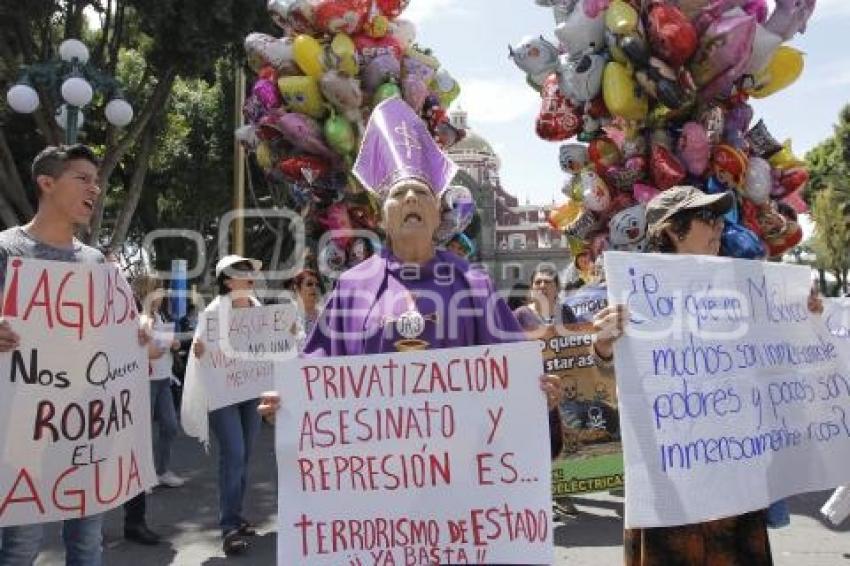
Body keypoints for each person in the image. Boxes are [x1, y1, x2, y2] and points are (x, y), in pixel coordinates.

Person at [258, 97, 563, 457]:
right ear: (383, 219)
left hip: (462, 470)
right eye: (399, 194)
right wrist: (287, 405)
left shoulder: (473, 284)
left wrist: (539, 395)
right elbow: (318, 370)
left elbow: (510, 369)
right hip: (376, 473)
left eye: (422, 193)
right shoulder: (353, 286)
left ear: (438, 216)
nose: (411, 200)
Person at [591, 185, 823, 566]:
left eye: (718, 216)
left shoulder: (742, 288)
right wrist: (601, 346)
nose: (718, 226)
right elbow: (607, 381)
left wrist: (807, 316)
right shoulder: (631, 293)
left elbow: (779, 360)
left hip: (733, 480)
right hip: (670, 486)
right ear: (670, 229)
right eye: (706, 218)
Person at [0, 144, 107, 564]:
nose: (94, 189)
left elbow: (109, 335)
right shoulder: (6, 252)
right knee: (21, 546)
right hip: (20, 428)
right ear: (47, 183)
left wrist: (136, 334)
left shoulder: (96, 262)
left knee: (87, 542)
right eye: (83, 178)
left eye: (97, 182)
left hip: (86, 426)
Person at [187, 255, 263, 556]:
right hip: (222, 396)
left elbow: (272, 345)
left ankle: (237, 514)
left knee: (244, 455)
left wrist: (290, 336)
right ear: (228, 281)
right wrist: (200, 348)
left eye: (250, 271)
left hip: (252, 391)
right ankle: (229, 525)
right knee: (233, 454)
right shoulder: (214, 312)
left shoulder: (258, 309)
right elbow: (201, 352)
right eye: (242, 272)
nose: (249, 276)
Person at [132, 275, 186, 488]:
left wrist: (170, 345)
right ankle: (140, 477)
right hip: (146, 380)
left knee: (170, 426)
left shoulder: (158, 315)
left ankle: (161, 470)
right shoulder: (138, 318)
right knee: (141, 432)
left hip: (163, 378)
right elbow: (148, 352)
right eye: (159, 289)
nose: (163, 294)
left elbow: (158, 348)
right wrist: (166, 345)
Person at [514, 265, 577, 336]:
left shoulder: (566, 312)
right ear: (531, 289)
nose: (542, 286)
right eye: (538, 282)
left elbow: (580, 340)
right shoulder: (520, 315)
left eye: (547, 282)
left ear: (557, 288)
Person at [289, 268, 324, 351]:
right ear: (297, 289)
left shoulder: (325, 314)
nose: (314, 287)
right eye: (309, 284)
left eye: (317, 285)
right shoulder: (289, 316)